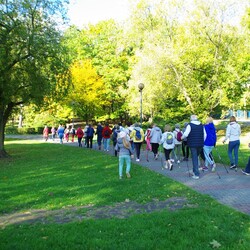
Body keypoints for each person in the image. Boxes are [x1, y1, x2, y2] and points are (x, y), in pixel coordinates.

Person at [181, 115, 207, 179]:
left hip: (192, 144)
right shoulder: (201, 125)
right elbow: (205, 134)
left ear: (191, 119)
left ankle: (196, 174)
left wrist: (182, 137)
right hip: (200, 144)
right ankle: (194, 170)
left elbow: (186, 134)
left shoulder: (190, 125)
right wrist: (202, 141)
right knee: (196, 157)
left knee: (194, 158)